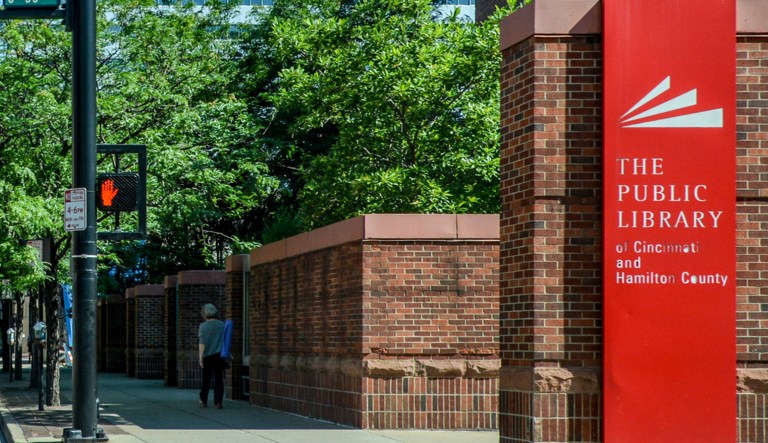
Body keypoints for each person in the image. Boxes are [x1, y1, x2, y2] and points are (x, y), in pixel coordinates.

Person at [198, 303, 225, 409]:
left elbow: (202, 343)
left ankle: (203, 400)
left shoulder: (203, 326)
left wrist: (200, 358)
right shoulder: (222, 325)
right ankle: (218, 402)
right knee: (218, 379)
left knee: (206, 379)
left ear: (204, 313)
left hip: (207, 357)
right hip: (219, 356)